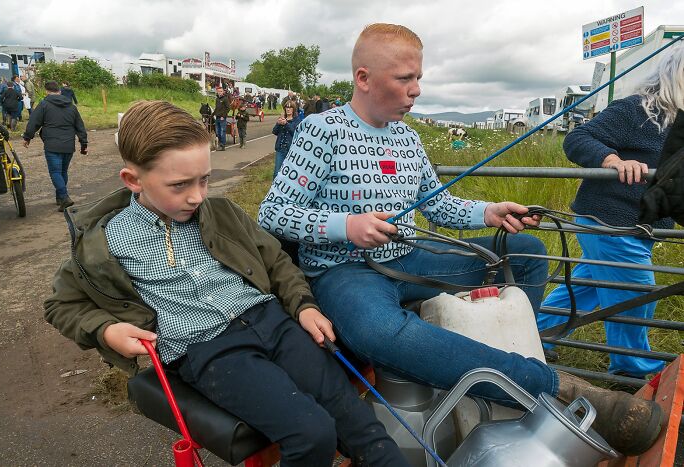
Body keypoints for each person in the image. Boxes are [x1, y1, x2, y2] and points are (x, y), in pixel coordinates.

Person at [258, 23, 664, 456]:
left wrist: (490, 211)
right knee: (376, 330)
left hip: (410, 259)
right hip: (345, 273)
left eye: (419, 78)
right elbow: (274, 213)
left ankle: (511, 362)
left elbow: (439, 206)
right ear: (363, 78)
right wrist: (348, 226)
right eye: (404, 79)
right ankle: (552, 388)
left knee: (526, 252)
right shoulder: (322, 130)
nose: (415, 90)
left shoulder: (408, 138)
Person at [43, 100, 408, 467]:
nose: (197, 196)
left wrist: (304, 305)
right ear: (133, 180)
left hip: (273, 322)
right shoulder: (103, 243)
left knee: (362, 426)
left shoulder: (222, 213)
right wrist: (107, 331)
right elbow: (60, 306)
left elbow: (276, 260)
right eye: (179, 185)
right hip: (211, 350)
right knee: (311, 434)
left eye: (204, 179)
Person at [537, 43, 684, 378]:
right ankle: (633, 368)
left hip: (639, 227)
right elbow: (578, 139)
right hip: (609, 219)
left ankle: (535, 335)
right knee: (636, 291)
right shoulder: (638, 110)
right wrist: (612, 160)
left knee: (586, 288)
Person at [23, 81, 87, 211]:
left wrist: (27, 137)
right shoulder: (71, 106)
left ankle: (64, 197)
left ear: (47, 91)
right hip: (69, 144)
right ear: (60, 90)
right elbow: (80, 126)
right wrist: (83, 143)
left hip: (52, 144)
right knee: (63, 171)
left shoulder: (44, 104)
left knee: (55, 172)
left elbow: (34, 122)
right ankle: (60, 199)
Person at [271, 100, 300, 179]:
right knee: (277, 171)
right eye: (287, 107)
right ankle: (275, 189)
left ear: (293, 109)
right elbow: (274, 131)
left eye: (290, 107)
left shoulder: (297, 120)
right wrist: (278, 123)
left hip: (290, 150)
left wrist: (286, 124)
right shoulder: (282, 118)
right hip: (280, 149)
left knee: (289, 172)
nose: (288, 109)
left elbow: (295, 133)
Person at [212, 86, 230, 151]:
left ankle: (223, 146)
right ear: (217, 92)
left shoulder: (225, 99)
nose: (220, 92)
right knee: (218, 132)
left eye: (221, 91)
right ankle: (220, 143)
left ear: (223, 92)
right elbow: (216, 108)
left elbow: (228, 108)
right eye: (218, 91)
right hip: (217, 117)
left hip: (222, 118)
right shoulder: (217, 99)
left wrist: (223, 116)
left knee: (222, 132)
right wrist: (212, 114)